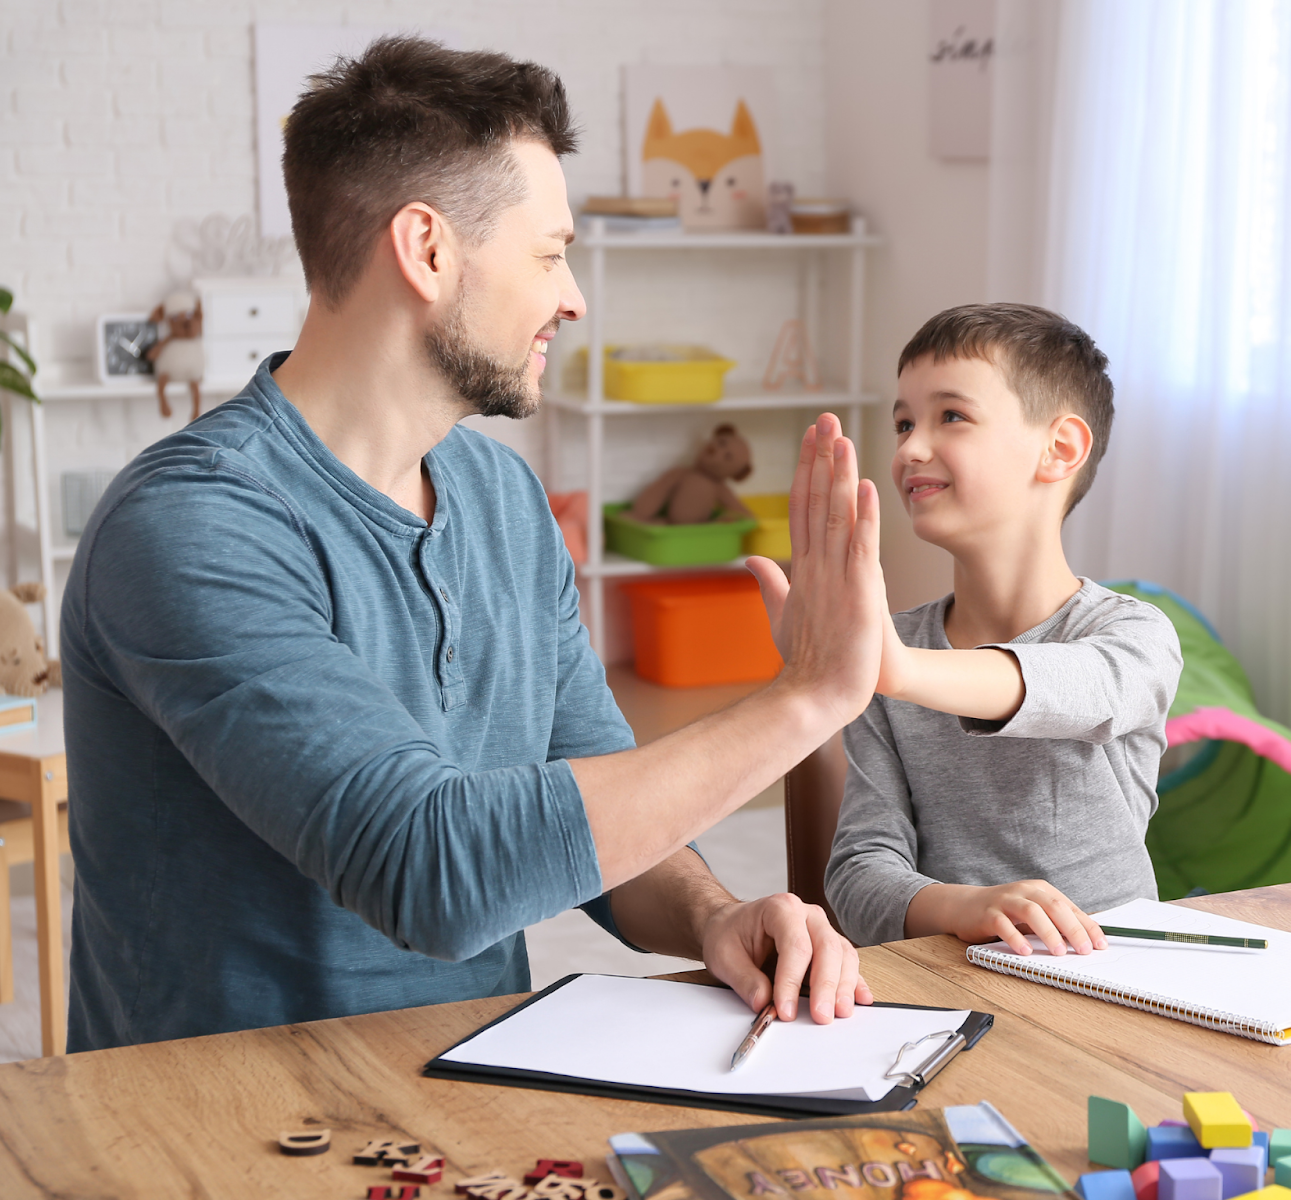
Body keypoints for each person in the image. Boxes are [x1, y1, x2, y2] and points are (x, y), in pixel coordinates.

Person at [61, 37, 888, 1051]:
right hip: (219, 1130)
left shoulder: (501, 496)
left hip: (462, 1092)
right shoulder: (192, 525)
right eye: (548, 255)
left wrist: (713, 916)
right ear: (427, 250)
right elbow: (432, 871)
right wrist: (809, 696)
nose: (573, 296)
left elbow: (597, 809)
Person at [822, 304, 1183, 953]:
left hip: (1116, 982)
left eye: (950, 417)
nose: (910, 447)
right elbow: (857, 878)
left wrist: (899, 670)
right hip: (945, 975)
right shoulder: (890, 657)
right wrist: (968, 907)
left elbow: (1086, 692)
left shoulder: (1134, 635)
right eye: (903, 422)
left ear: (1059, 449)